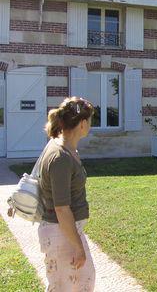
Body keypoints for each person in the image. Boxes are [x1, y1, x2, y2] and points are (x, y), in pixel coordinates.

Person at [37, 96, 96, 291]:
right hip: (61, 233)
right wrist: (78, 247)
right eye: (90, 120)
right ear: (81, 123)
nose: (90, 124)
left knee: (81, 283)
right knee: (65, 287)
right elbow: (61, 208)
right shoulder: (60, 157)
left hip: (66, 232)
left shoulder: (66, 149)